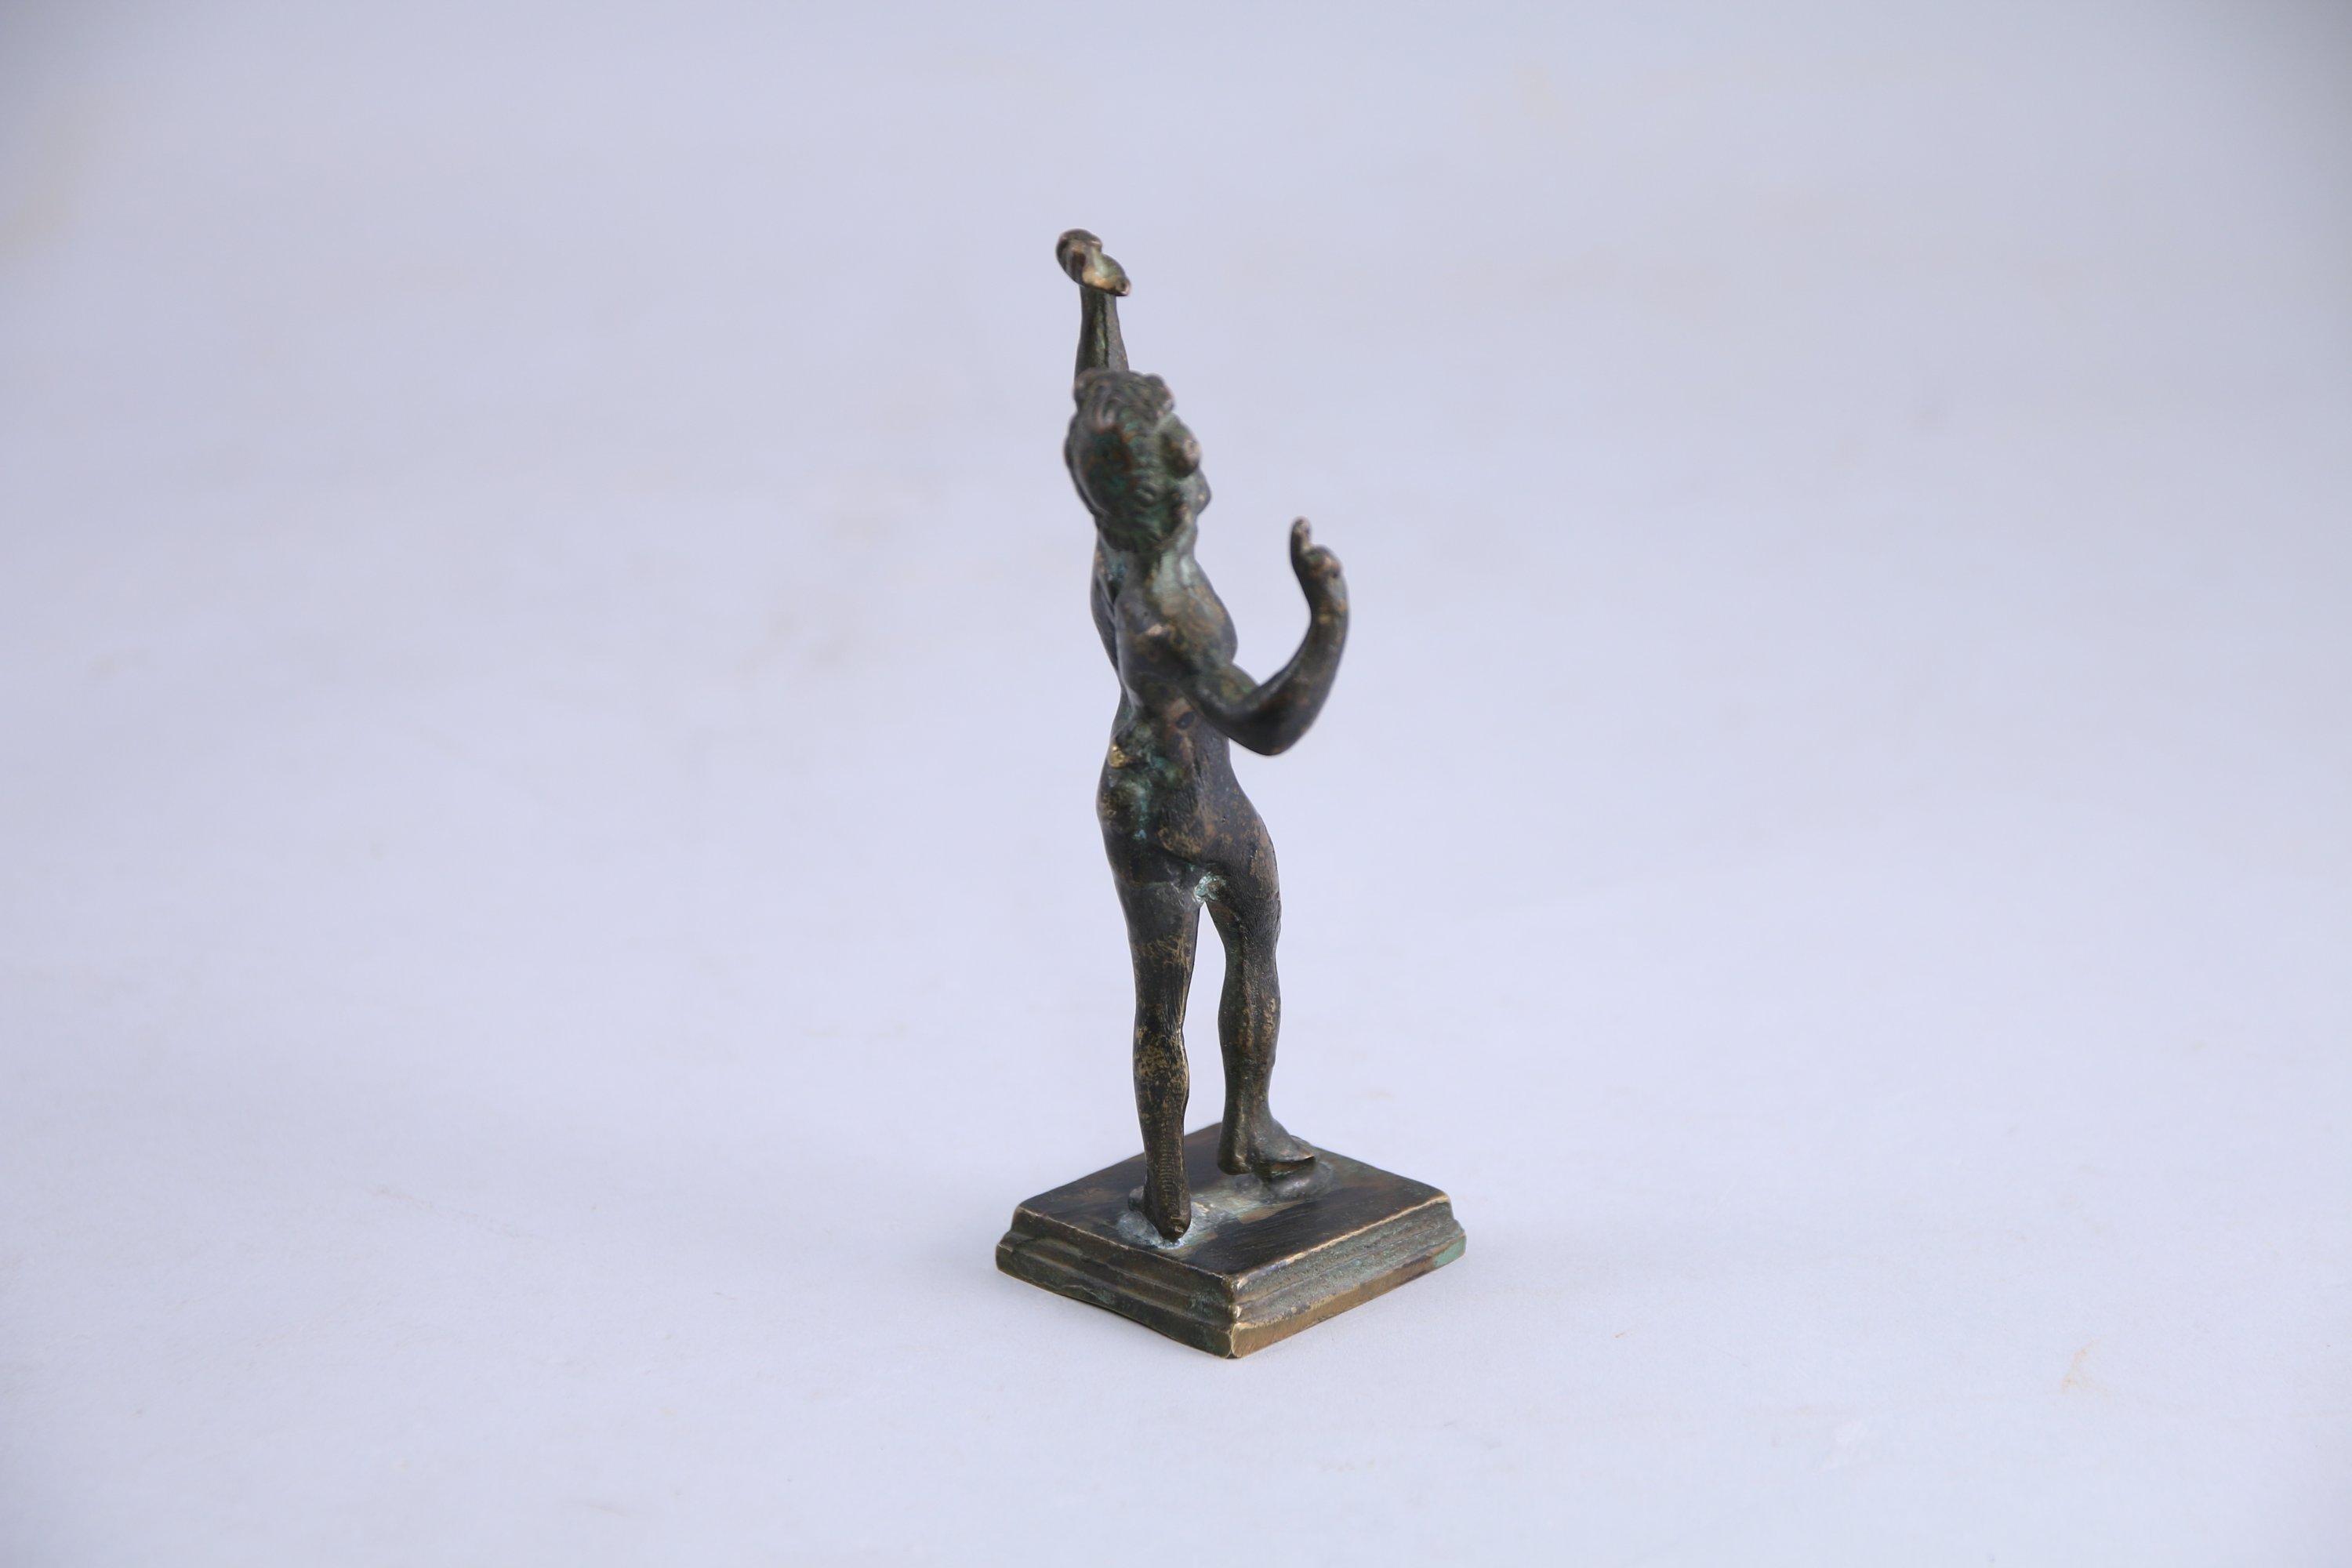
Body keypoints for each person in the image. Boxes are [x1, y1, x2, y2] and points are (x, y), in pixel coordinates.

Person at [1056, 230, 1350, 1241]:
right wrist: (1328, 619)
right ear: (1156, 487)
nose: (1192, 451)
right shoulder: (1167, 617)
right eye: (1176, 448)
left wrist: (1097, 300)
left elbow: (1098, 398)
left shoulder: (1123, 535)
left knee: (1255, 941)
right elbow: (1266, 723)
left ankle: (1248, 1129)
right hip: (1164, 814)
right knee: (1165, 999)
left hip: (1185, 791)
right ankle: (1168, 1190)